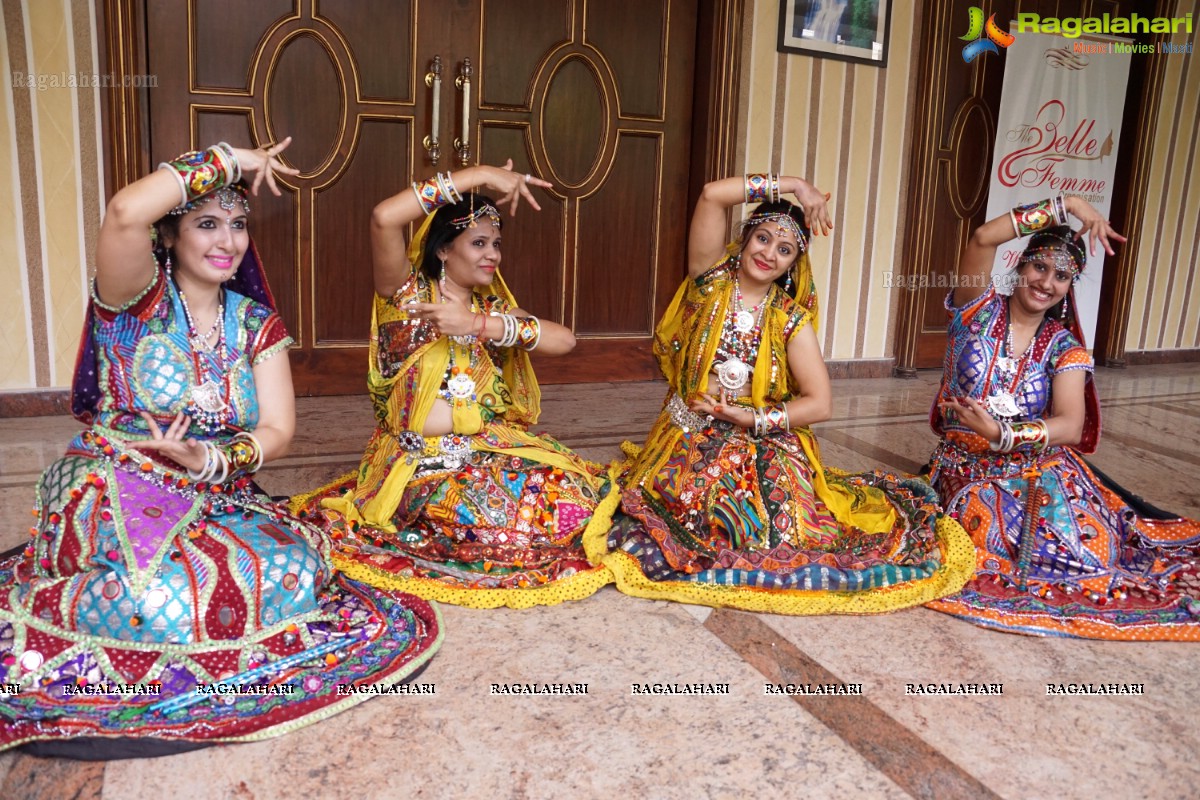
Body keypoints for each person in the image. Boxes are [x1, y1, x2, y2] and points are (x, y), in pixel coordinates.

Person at [0, 140, 442, 755]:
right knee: (149, 591)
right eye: (207, 223)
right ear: (172, 235)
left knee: (290, 568)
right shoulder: (134, 296)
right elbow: (126, 211)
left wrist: (212, 460)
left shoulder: (253, 322)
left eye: (237, 225)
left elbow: (277, 430)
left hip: (214, 487)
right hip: (117, 474)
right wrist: (231, 160)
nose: (227, 241)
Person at [587, 173, 974, 614]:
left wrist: (752, 420)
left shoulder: (790, 320)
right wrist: (794, 185)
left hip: (757, 442)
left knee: (767, 530)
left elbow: (819, 403)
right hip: (688, 432)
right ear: (745, 238)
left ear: (794, 264)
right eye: (763, 238)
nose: (769, 253)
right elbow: (713, 194)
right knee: (681, 511)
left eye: (784, 249)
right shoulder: (709, 283)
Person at [294, 163, 613, 608]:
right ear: (444, 250)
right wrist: (478, 174)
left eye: (496, 244)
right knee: (496, 521)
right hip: (420, 460)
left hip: (486, 448)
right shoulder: (406, 298)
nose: (493, 255)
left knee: (572, 496)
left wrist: (480, 324)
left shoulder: (492, 308)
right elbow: (384, 217)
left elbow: (566, 340)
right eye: (478, 243)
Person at [924, 194, 1200, 640]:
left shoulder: (1063, 345)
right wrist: (1069, 205)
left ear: (1069, 287)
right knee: (998, 539)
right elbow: (982, 236)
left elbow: (1070, 425)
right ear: (1020, 266)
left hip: (1037, 464)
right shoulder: (975, 309)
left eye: (1062, 276)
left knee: (1086, 548)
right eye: (1040, 267)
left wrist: (1002, 433)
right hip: (964, 467)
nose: (1046, 282)